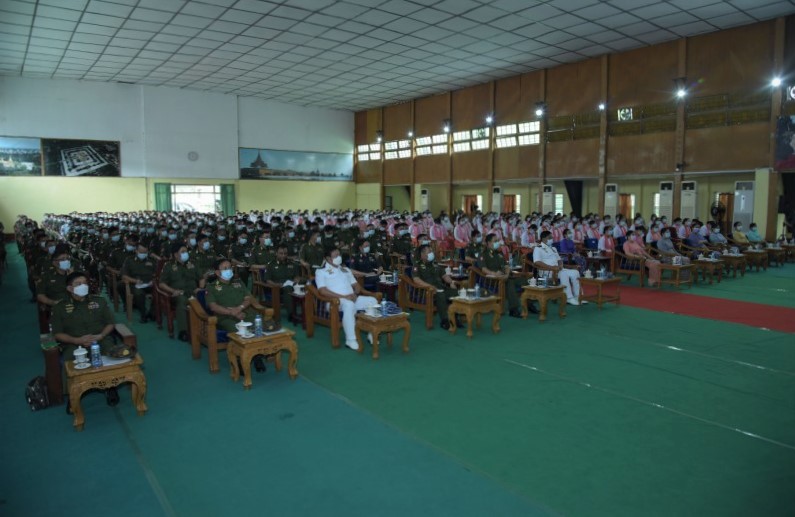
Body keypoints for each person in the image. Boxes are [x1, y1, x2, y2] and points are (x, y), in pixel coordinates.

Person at [51, 271, 120, 406]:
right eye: (78, 284)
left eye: (85, 283)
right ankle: (72, 395)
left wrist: (101, 335)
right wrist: (76, 340)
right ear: (70, 288)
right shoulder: (60, 307)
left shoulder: (99, 301)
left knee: (110, 351)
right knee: (69, 358)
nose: (83, 286)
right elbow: (57, 333)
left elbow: (110, 323)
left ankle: (111, 387)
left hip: (100, 339)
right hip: (74, 342)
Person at [314, 247, 378, 350]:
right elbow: (322, 291)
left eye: (339, 254)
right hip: (334, 302)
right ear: (328, 258)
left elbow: (356, 286)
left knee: (372, 301)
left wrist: (355, 294)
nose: (339, 257)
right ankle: (351, 340)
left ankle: (371, 333)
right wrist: (344, 297)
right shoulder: (321, 271)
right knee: (349, 305)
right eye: (335, 256)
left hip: (351, 298)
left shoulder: (345, 269)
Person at [159, 242, 205, 341]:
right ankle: (183, 331)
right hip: (179, 293)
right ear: (176, 254)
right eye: (183, 252)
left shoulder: (192, 263)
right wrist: (173, 291)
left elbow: (201, 278)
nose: (186, 253)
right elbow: (161, 283)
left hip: (193, 291)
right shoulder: (168, 266)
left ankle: (205, 328)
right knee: (182, 300)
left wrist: (200, 288)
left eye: (186, 251)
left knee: (206, 296)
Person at [412, 244, 461, 329]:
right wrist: (430, 286)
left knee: (456, 293)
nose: (432, 253)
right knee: (441, 295)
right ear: (422, 254)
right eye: (429, 251)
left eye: (431, 251)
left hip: (440, 287)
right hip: (427, 291)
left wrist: (451, 282)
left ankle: (455, 318)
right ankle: (445, 321)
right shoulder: (417, 265)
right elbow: (416, 280)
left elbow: (444, 276)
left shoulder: (435, 264)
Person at [206, 259, 259, 332]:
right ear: (217, 272)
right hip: (226, 318)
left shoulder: (239, 282)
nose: (229, 270)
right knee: (238, 331)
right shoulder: (211, 287)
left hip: (244, 313)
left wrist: (239, 308)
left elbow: (248, 298)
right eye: (225, 268)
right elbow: (213, 307)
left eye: (230, 267)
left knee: (264, 324)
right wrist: (231, 312)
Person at [533, 231, 583, 305]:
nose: (552, 239)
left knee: (575, 272)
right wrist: (552, 267)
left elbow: (559, 260)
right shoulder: (538, 248)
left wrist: (560, 265)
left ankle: (578, 296)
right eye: (550, 238)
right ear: (543, 238)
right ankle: (568, 298)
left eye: (552, 237)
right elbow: (537, 262)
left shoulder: (553, 248)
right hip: (547, 271)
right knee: (563, 274)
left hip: (558, 269)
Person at [482, 234, 523, 317]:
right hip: (493, 280)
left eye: (497, 241)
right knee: (510, 282)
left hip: (506, 276)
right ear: (488, 243)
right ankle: (513, 309)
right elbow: (483, 269)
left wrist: (507, 274)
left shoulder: (499, 253)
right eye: (495, 241)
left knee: (524, 280)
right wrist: (494, 274)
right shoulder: (484, 254)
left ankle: (529, 305)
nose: (497, 243)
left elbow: (506, 266)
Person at [263, 245, 302, 320]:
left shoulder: (292, 264)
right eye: (281, 253)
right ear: (276, 253)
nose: (283, 255)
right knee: (288, 288)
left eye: (285, 253)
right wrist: (276, 285)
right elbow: (267, 280)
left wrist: (296, 279)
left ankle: (308, 313)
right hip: (277, 288)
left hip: (292, 285)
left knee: (307, 284)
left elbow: (297, 276)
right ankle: (291, 314)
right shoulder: (271, 265)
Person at [121, 240, 155, 323]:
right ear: (136, 251)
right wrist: (135, 281)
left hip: (150, 284)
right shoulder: (129, 260)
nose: (144, 254)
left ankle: (152, 312)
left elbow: (157, 274)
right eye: (141, 252)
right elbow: (124, 276)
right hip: (135, 284)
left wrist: (153, 281)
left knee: (159, 292)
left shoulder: (152, 260)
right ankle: (143, 314)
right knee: (138, 293)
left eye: (145, 252)